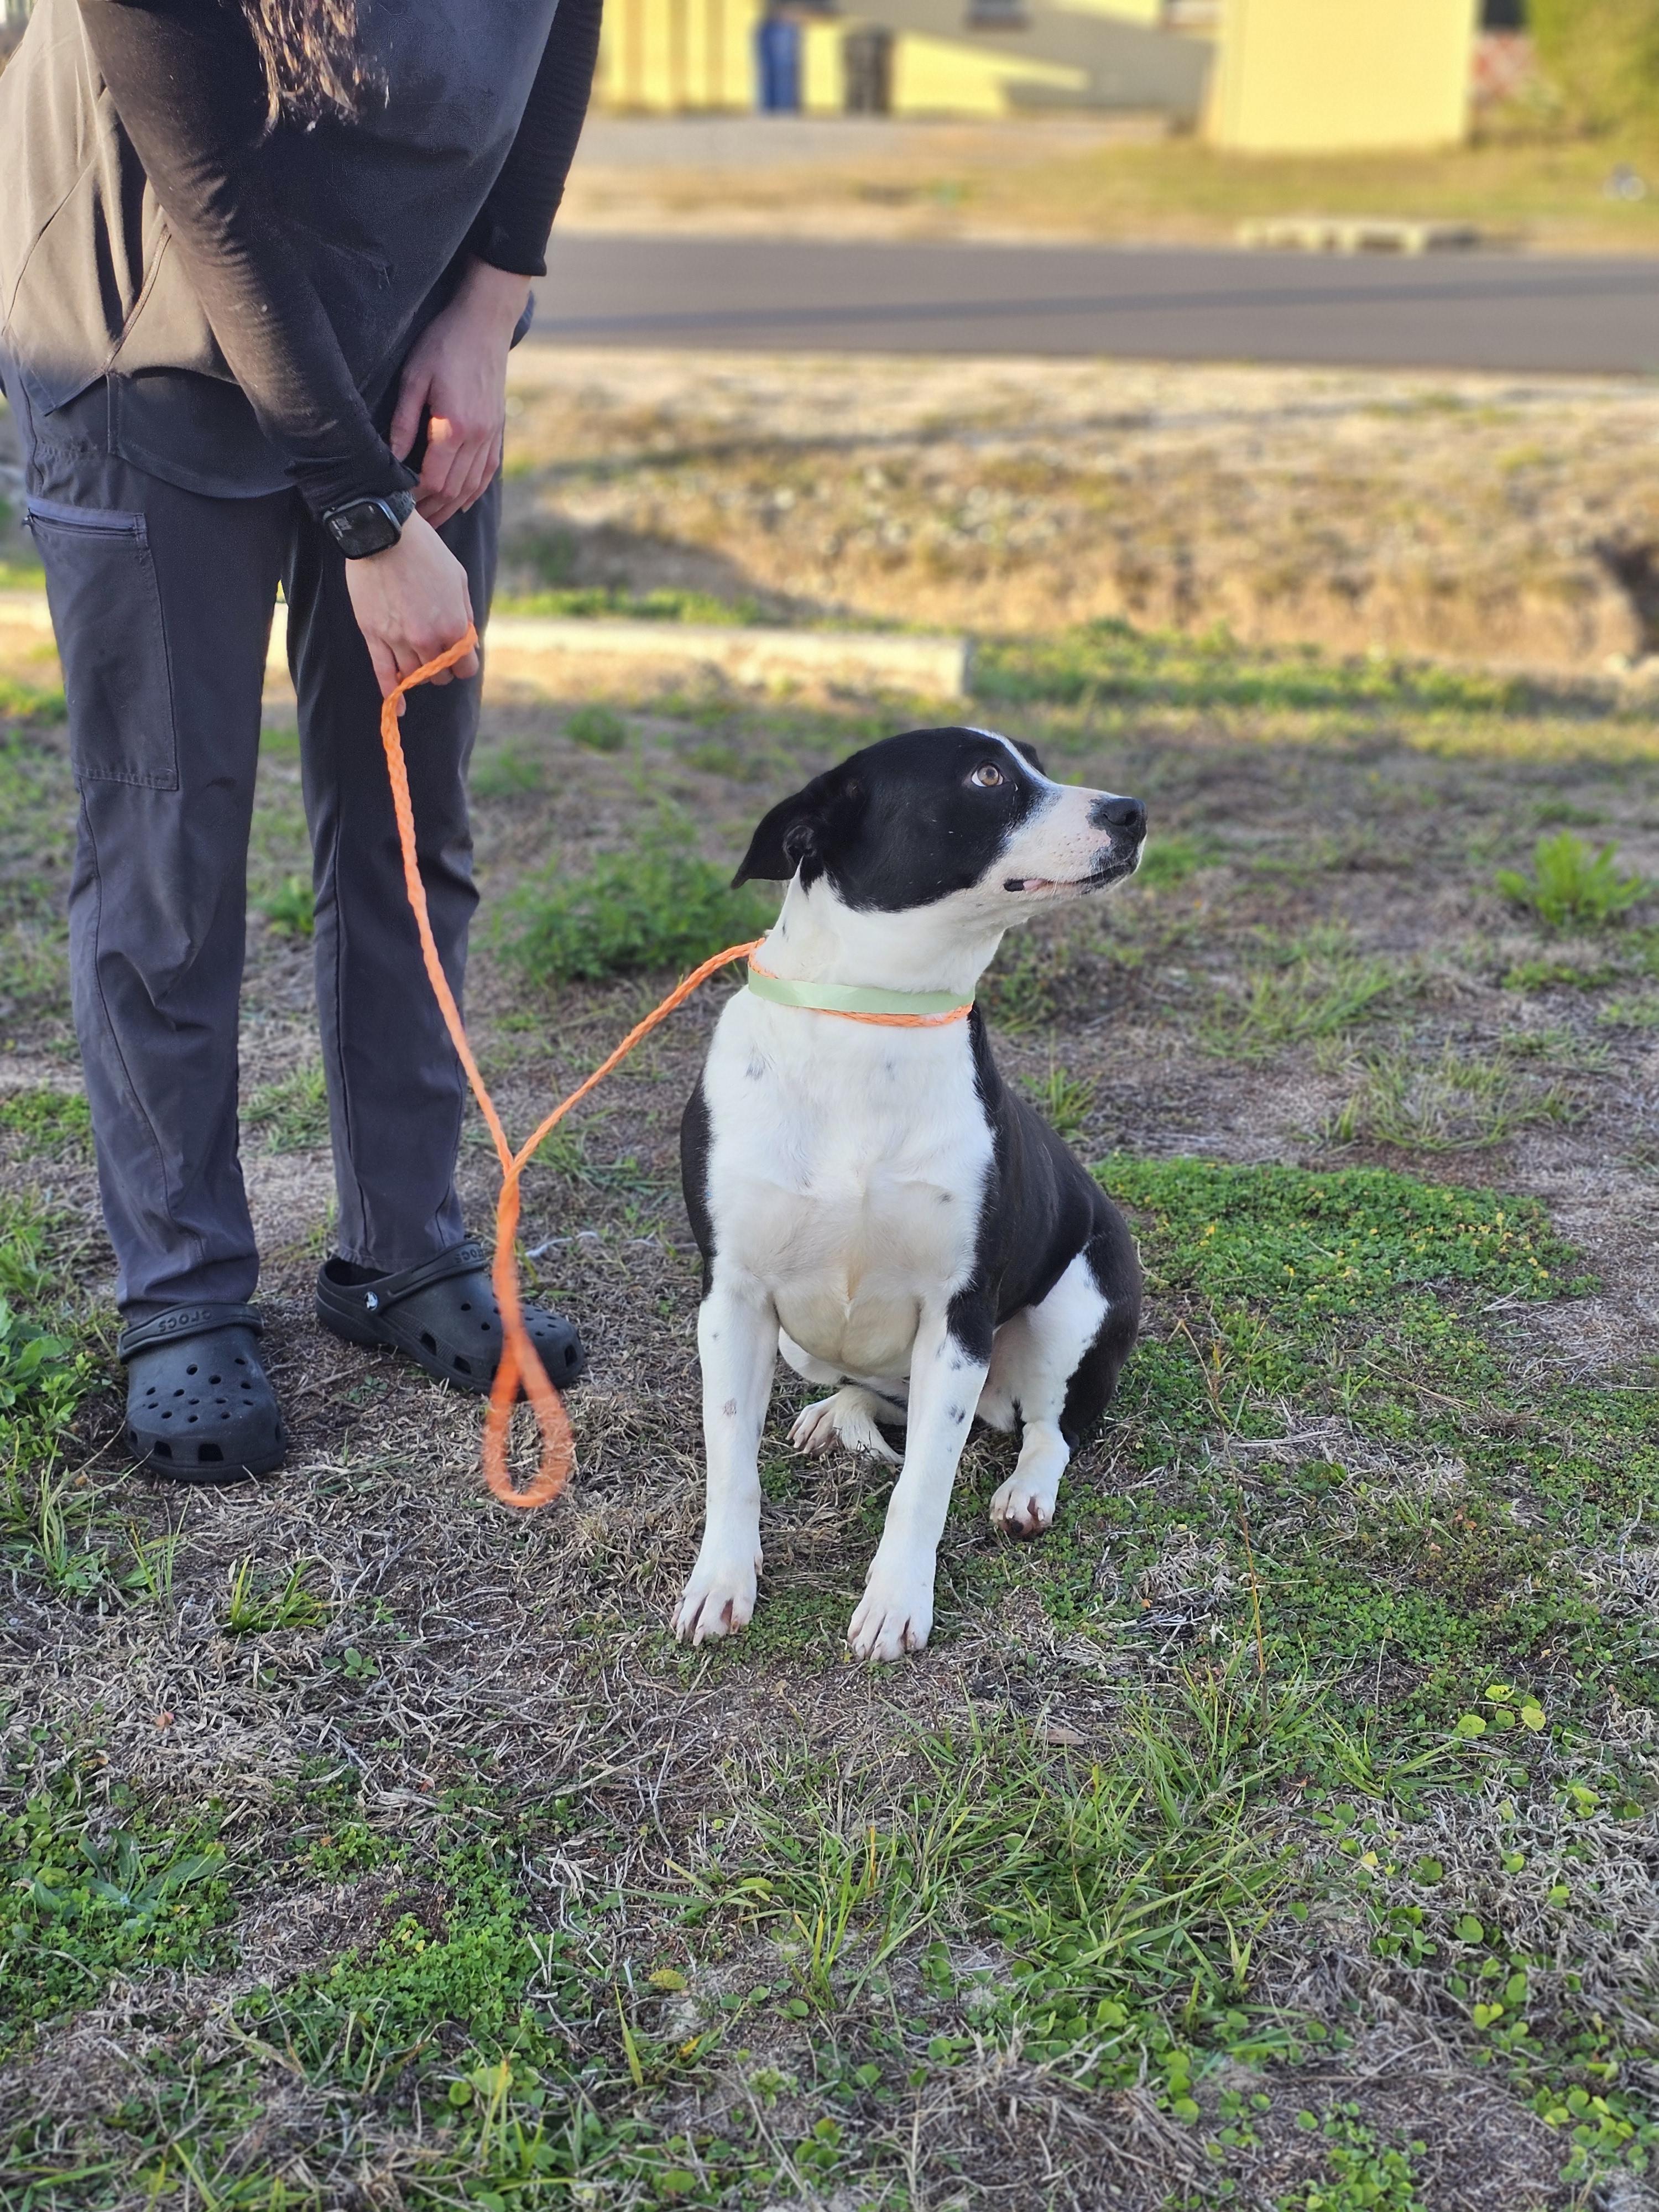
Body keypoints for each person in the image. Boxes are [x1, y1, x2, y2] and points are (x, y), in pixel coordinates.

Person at [0, 0, 603, 1482]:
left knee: (410, 819)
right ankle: (183, 1293)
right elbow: (207, 182)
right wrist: (368, 518)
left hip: (403, 334)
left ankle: (401, 1251)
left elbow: (562, 26)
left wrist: (487, 312)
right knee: (171, 842)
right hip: (148, 325)